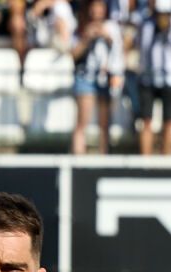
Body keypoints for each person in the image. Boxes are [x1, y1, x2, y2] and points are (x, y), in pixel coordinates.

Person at [134, 0, 171, 157]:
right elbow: (137, 46)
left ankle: (166, 158)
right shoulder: (144, 23)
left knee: (169, 121)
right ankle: (145, 161)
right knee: (146, 121)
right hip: (148, 78)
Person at [69, 0, 123, 155]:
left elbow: (118, 54)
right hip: (85, 77)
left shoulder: (112, 28)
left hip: (105, 79)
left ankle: (103, 157)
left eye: (100, 7)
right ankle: (78, 160)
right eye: (94, 7)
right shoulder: (80, 27)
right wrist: (87, 38)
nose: (97, 11)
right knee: (82, 122)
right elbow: (73, 55)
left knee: (105, 124)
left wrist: (107, 38)